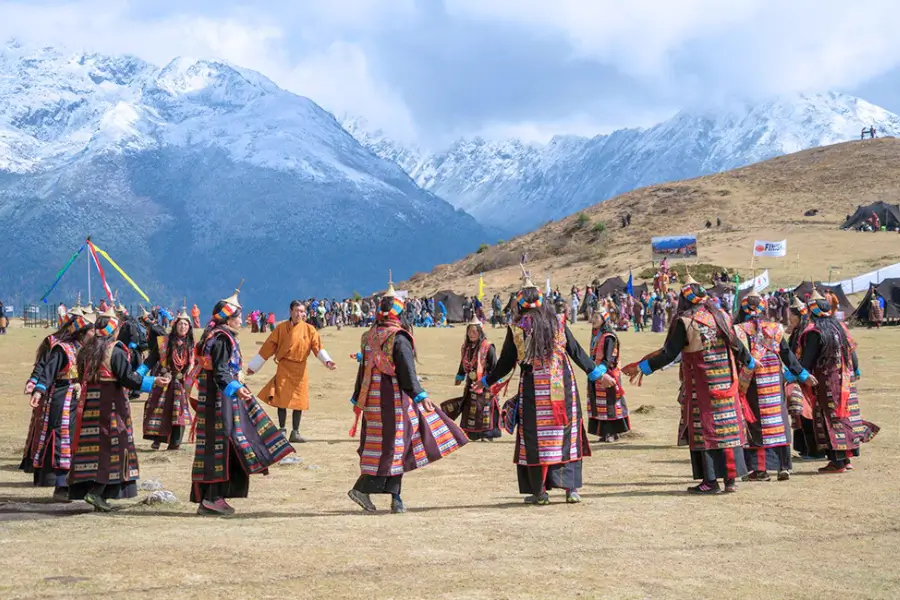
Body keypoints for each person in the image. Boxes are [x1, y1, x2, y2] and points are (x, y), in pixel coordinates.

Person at [623, 276, 754, 494]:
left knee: (706, 430)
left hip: (701, 386)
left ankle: (710, 481)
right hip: (726, 383)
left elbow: (668, 354)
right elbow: (737, 345)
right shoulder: (720, 316)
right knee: (727, 429)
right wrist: (749, 362)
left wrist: (642, 368)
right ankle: (731, 479)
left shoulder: (685, 321)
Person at [482, 267, 602, 505]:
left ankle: (540, 491)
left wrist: (486, 381)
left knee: (537, 437)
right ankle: (571, 489)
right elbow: (575, 351)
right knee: (565, 433)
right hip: (562, 384)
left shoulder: (517, 327)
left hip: (533, 388)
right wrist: (597, 373)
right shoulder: (557, 321)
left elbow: (506, 361)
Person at [348, 278, 468, 514]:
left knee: (386, 445)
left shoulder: (369, 335)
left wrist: (357, 399)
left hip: (372, 399)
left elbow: (364, 370)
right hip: (393, 399)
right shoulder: (399, 337)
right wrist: (420, 395)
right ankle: (364, 489)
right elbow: (406, 371)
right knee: (396, 445)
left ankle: (396, 497)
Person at [191, 287, 295, 516]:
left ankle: (213, 497)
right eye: (238, 316)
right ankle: (212, 498)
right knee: (226, 443)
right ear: (228, 318)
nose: (242, 320)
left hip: (218, 396)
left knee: (222, 443)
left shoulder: (213, 335)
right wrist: (237, 389)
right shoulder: (221, 339)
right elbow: (220, 371)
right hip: (222, 398)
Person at [70, 308, 166, 511]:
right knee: (114, 446)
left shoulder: (86, 351)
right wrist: (152, 381)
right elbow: (127, 378)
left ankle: (93, 491)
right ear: (114, 330)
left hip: (90, 406)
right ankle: (97, 492)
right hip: (111, 405)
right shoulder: (115, 350)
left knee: (93, 447)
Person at [794, 291, 879, 473]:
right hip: (844, 379)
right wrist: (855, 369)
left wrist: (798, 373)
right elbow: (852, 352)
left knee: (829, 419)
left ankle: (837, 462)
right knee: (845, 416)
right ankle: (847, 458)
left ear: (812, 312)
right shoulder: (839, 328)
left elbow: (807, 361)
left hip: (825, 380)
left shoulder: (815, 332)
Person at [734, 292, 814, 481]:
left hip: (753, 380)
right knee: (779, 420)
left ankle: (760, 470)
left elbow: (739, 356)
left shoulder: (738, 330)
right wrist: (803, 374)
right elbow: (787, 355)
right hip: (774, 379)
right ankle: (783, 466)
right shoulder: (776, 328)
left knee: (757, 423)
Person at [25, 311, 94, 501]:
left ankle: (79, 485)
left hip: (79, 398)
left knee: (79, 440)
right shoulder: (62, 349)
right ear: (81, 332)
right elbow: (48, 371)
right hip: (61, 397)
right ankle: (60, 485)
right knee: (62, 438)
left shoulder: (87, 351)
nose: (94, 334)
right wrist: (38, 391)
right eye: (91, 331)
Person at [246, 300, 336, 443]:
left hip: (300, 369)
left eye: (302, 311)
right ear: (290, 311)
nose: (299, 314)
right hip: (284, 366)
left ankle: (295, 432)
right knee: (281, 399)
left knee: (298, 400)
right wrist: (254, 366)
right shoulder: (281, 328)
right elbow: (268, 347)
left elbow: (317, 347)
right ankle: (282, 429)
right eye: (296, 311)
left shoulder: (309, 329)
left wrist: (327, 361)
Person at [139, 306, 194, 450]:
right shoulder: (165, 342)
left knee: (179, 410)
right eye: (180, 324)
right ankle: (157, 439)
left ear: (189, 327)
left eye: (186, 324)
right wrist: (139, 373)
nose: (183, 327)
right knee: (159, 408)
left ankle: (175, 442)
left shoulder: (190, 345)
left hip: (180, 382)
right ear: (175, 326)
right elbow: (151, 359)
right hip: (165, 379)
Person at [444, 316, 502, 441]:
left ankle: (487, 435)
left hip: (486, 382)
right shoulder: (466, 347)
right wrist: (460, 375)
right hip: (471, 382)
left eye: (474, 331)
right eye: (469, 331)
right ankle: (472, 434)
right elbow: (463, 362)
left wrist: (489, 381)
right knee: (470, 408)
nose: (471, 334)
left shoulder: (488, 347)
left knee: (484, 409)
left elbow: (494, 366)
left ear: (480, 332)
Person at [587, 306, 630, 442]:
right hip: (597, 373)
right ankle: (604, 432)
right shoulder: (596, 336)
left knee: (610, 403)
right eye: (593, 317)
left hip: (608, 373)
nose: (593, 320)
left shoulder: (609, 337)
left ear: (604, 320)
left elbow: (610, 357)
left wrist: (601, 371)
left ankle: (612, 432)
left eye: (596, 317)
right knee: (599, 404)